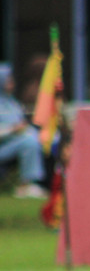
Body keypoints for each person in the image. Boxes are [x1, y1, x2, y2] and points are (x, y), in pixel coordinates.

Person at [0, 63, 47, 199]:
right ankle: (25, 185)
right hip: (3, 146)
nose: (12, 83)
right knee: (29, 142)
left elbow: (24, 125)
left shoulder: (12, 103)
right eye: (8, 79)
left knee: (44, 139)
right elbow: (15, 129)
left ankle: (51, 183)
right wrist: (12, 130)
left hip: (13, 144)